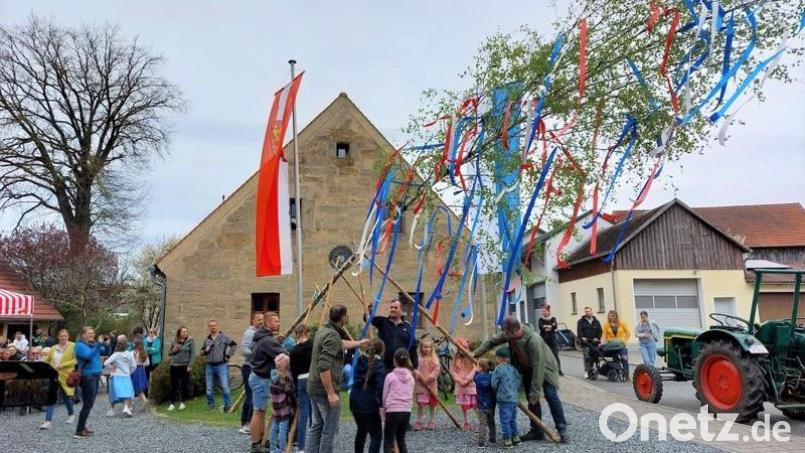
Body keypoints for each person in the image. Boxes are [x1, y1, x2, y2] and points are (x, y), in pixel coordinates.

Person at [474, 316, 567, 443]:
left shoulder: (533, 340)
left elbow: (538, 366)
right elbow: (492, 341)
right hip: (527, 367)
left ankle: (562, 429)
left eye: (507, 333)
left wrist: (535, 391)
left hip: (545, 369)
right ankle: (537, 431)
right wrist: (475, 353)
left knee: (550, 395)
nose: (505, 336)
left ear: (516, 330)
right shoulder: (509, 333)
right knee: (531, 399)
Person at [306, 305, 366, 453]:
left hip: (313, 387)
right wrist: (331, 393)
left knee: (317, 426)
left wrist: (359, 343)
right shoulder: (332, 336)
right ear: (343, 317)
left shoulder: (324, 331)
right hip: (324, 391)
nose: (348, 317)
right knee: (330, 430)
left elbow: (340, 344)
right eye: (347, 315)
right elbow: (324, 367)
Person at [248, 311, 287, 453]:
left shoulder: (263, 336)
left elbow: (272, 345)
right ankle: (255, 444)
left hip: (257, 377)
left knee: (261, 411)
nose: (278, 323)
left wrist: (276, 340)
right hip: (260, 379)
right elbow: (283, 353)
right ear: (268, 322)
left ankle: (262, 439)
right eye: (276, 321)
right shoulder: (267, 341)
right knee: (258, 412)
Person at [350, 337, 386, 453]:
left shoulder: (360, 360)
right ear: (381, 351)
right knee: (376, 436)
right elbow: (380, 387)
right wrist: (381, 405)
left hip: (355, 401)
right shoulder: (379, 365)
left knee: (361, 430)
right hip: (370, 403)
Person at [366, 299, 418, 371]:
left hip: (402, 367)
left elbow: (413, 347)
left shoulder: (407, 326)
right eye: (391, 307)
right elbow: (368, 319)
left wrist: (415, 367)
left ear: (401, 310)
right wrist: (368, 309)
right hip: (384, 367)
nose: (393, 309)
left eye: (396, 308)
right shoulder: (383, 322)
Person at [41, 329, 76, 429]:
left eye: (65, 336)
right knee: (51, 397)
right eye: (61, 336)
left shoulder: (73, 346)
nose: (63, 338)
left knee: (66, 397)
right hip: (54, 375)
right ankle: (48, 421)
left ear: (68, 336)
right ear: (58, 337)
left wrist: (63, 365)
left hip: (66, 375)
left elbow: (76, 360)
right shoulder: (53, 348)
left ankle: (71, 413)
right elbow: (47, 360)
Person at [382, 348, 414, 453]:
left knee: (388, 440)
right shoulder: (411, 377)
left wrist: (384, 408)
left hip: (392, 411)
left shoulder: (390, 376)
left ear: (394, 361)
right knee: (401, 440)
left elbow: (385, 395)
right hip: (406, 411)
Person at [201, 319, 237, 411]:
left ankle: (228, 405)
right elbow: (202, 352)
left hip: (222, 365)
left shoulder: (224, 337)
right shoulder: (207, 339)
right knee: (209, 388)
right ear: (209, 327)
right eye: (211, 326)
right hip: (209, 366)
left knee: (225, 386)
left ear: (217, 326)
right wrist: (206, 350)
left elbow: (234, 345)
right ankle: (211, 405)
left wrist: (228, 356)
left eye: (214, 325)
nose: (213, 327)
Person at [74, 326, 103, 439]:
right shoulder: (80, 346)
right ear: (83, 335)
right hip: (87, 377)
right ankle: (79, 430)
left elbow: (105, 351)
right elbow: (89, 356)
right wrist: (98, 345)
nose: (92, 335)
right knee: (87, 403)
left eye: (93, 333)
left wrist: (106, 343)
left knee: (89, 403)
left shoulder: (91, 345)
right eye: (89, 333)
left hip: (95, 376)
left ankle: (83, 426)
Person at [289, 323, 313, 453]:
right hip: (312, 379)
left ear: (297, 334)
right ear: (307, 332)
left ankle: (301, 448)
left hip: (300, 381)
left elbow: (293, 372)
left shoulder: (293, 351)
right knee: (314, 413)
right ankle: (316, 443)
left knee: (303, 415)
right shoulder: (312, 345)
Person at [491, 347, 522, 449]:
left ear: (499, 358)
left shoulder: (498, 369)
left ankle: (507, 440)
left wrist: (496, 392)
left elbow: (493, 383)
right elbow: (518, 382)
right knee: (512, 419)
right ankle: (516, 438)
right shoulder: (513, 369)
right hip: (514, 398)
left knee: (505, 420)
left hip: (504, 399)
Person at [240, 312, 264, 435]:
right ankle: (246, 424)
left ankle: (249, 423)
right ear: (253, 320)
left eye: (262, 319)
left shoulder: (260, 333)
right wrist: (257, 353)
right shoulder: (249, 333)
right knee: (250, 396)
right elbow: (244, 350)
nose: (261, 321)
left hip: (256, 367)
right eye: (258, 319)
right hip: (249, 367)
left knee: (253, 396)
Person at [269, 353, 297, 453]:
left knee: (274, 426)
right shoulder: (285, 379)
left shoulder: (273, 376)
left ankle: (272, 448)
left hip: (275, 405)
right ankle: (283, 448)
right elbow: (290, 392)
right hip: (284, 407)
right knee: (283, 428)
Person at [104, 335, 137, 417]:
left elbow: (105, 363)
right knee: (126, 393)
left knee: (113, 393)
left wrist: (112, 367)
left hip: (116, 376)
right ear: (126, 344)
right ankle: (126, 407)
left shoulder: (116, 355)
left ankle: (112, 410)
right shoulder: (130, 354)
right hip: (126, 376)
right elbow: (134, 366)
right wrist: (129, 372)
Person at [451, 337, 477, 432]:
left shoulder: (470, 357)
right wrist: (459, 380)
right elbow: (453, 371)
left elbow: (474, 369)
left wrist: (467, 379)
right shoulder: (455, 359)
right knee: (463, 405)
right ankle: (466, 421)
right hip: (460, 385)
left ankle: (480, 421)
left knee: (475, 404)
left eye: (465, 348)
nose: (463, 350)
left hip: (470, 384)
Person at [413, 337, 439, 431]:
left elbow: (436, 369)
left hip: (431, 385)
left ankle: (432, 420)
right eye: (425, 347)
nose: (427, 349)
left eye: (428, 347)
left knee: (432, 404)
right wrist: (418, 376)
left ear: (431, 348)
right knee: (421, 404)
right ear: (421, 347)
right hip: (421, 385)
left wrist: (430, 378)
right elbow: (415, 368)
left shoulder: (434, 358)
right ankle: (419, 421)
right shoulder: (418, 358)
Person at [168, 326, 195, 411]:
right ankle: (172, 403)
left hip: (184, 366)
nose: (185, 333)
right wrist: (174, 350)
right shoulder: (174, 340)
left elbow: (193, 354)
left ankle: (182, 402)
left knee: (184, 385)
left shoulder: (191, 341)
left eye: (186, 331)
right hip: (174, 365)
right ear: (179, 332)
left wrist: (190, 365)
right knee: (174, 385)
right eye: (183, 331)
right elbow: (169, 353)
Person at [474, 358, 496, 447]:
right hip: (491, 404)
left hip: (481, 405)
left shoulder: (477, 377)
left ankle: (481, 442)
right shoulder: (491, 377)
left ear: (481, 367)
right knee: (491, 422)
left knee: (482, 423)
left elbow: (473, 378)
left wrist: (476, 371)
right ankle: (492, 438)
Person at [603, 310, 631, 379]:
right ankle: (617, 373)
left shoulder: (622, 323)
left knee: (624, 359)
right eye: (610, 316)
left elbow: (628, 333)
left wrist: (625, 340)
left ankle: (626, 375)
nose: (611, 317)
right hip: (611, 345)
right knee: (615, 359)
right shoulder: (606, 324)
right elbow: (604, 335)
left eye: (613, 316)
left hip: (621, 345)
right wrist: (603, 343)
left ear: (616, 316)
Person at [576, 306, 603, 379]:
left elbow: (600, 331)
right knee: (587, 357)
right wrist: (582, 338)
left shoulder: (596, 321)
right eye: (586, 312)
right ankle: (586, 371)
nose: (587, 313)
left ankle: (593, 369)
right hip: (586, 343)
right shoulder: (581, 322)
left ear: (591, 312)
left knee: (596, 357)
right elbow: (579, 331)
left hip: (594, 343)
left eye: (588, 311)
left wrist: (597, 338)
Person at [538, 304, 563, 376]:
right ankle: (545, 370)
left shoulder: (553, 318)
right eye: (543, 311)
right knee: (543, 356)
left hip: (552, 340)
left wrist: (547, 327)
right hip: (544, 341)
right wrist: (549, 326)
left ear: (549, 312)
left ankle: (559, 370)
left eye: (545, 311)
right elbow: (541, 327)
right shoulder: (541, 319)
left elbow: (555, 326)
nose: (543, 313)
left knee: (555, 355)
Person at [131, 339, 150, 411]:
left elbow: (131, 362)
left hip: (134, 370)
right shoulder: (144, 352)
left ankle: (130, 405)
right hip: (141, 370)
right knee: (139, 389)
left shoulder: (133, 352)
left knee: (132, 387)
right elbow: (147, 363)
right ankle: (144, 400)